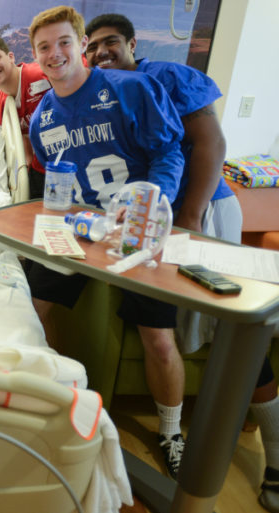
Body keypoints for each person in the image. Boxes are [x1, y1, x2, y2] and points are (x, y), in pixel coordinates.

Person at [86, 14, 279, 509]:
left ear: (132, 43)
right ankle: (177, 435)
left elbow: (211, 142)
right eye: (94, 47)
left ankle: (275, 455)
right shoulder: (104, 94)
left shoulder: (167, 76)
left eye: (111, 42)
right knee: (171, 327)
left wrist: (189, 219)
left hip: (202, 209)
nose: (102, 52)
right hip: (150, 223)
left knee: (229, 329)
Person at [25, 5, 187, 479]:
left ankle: (172, 431)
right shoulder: (41, 118)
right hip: (80, 228)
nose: (54, 54)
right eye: (43, 48)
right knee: (33, 311)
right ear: (35, 56)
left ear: (80, 46)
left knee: (158, 338)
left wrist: (154, 206)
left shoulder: (130, 89)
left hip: (136, 229)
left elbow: (168, 152)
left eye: (62, 43)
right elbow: (52, 184)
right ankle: (61, 400)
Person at [0, 34, 51, 199]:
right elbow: (20, 137)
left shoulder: (41, 76)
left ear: (11, 57)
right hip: (41, 169)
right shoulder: (1, 104)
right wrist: (27, 162)